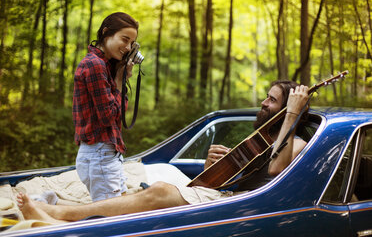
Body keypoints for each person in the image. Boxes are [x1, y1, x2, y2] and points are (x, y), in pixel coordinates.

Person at [17, 80, 309, 223]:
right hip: (226, 196)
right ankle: (66, 214)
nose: (263, 103)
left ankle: (61, 215)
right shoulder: (264, 137)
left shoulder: (296, 142)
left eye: (271, 100)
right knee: (151, 192)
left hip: (250, 208)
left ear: (287, 109)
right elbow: (222, 181)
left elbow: (275, 170)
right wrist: (212, 165)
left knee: (158, 191)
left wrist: (293, 118)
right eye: (266, 97)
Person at [73, 12, 139, 202]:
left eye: (131, 44)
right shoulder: (94, 65)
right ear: (106, 32)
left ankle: (50, 202)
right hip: (100, 153)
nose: (127, 48)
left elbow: (118, 113)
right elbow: (109, 117)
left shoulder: (104, 65)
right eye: (124, 40)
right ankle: (48, 208)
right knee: (109, 216)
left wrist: (121, 75)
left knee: (121, 203)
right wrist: (119, 80)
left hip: (105, 152)